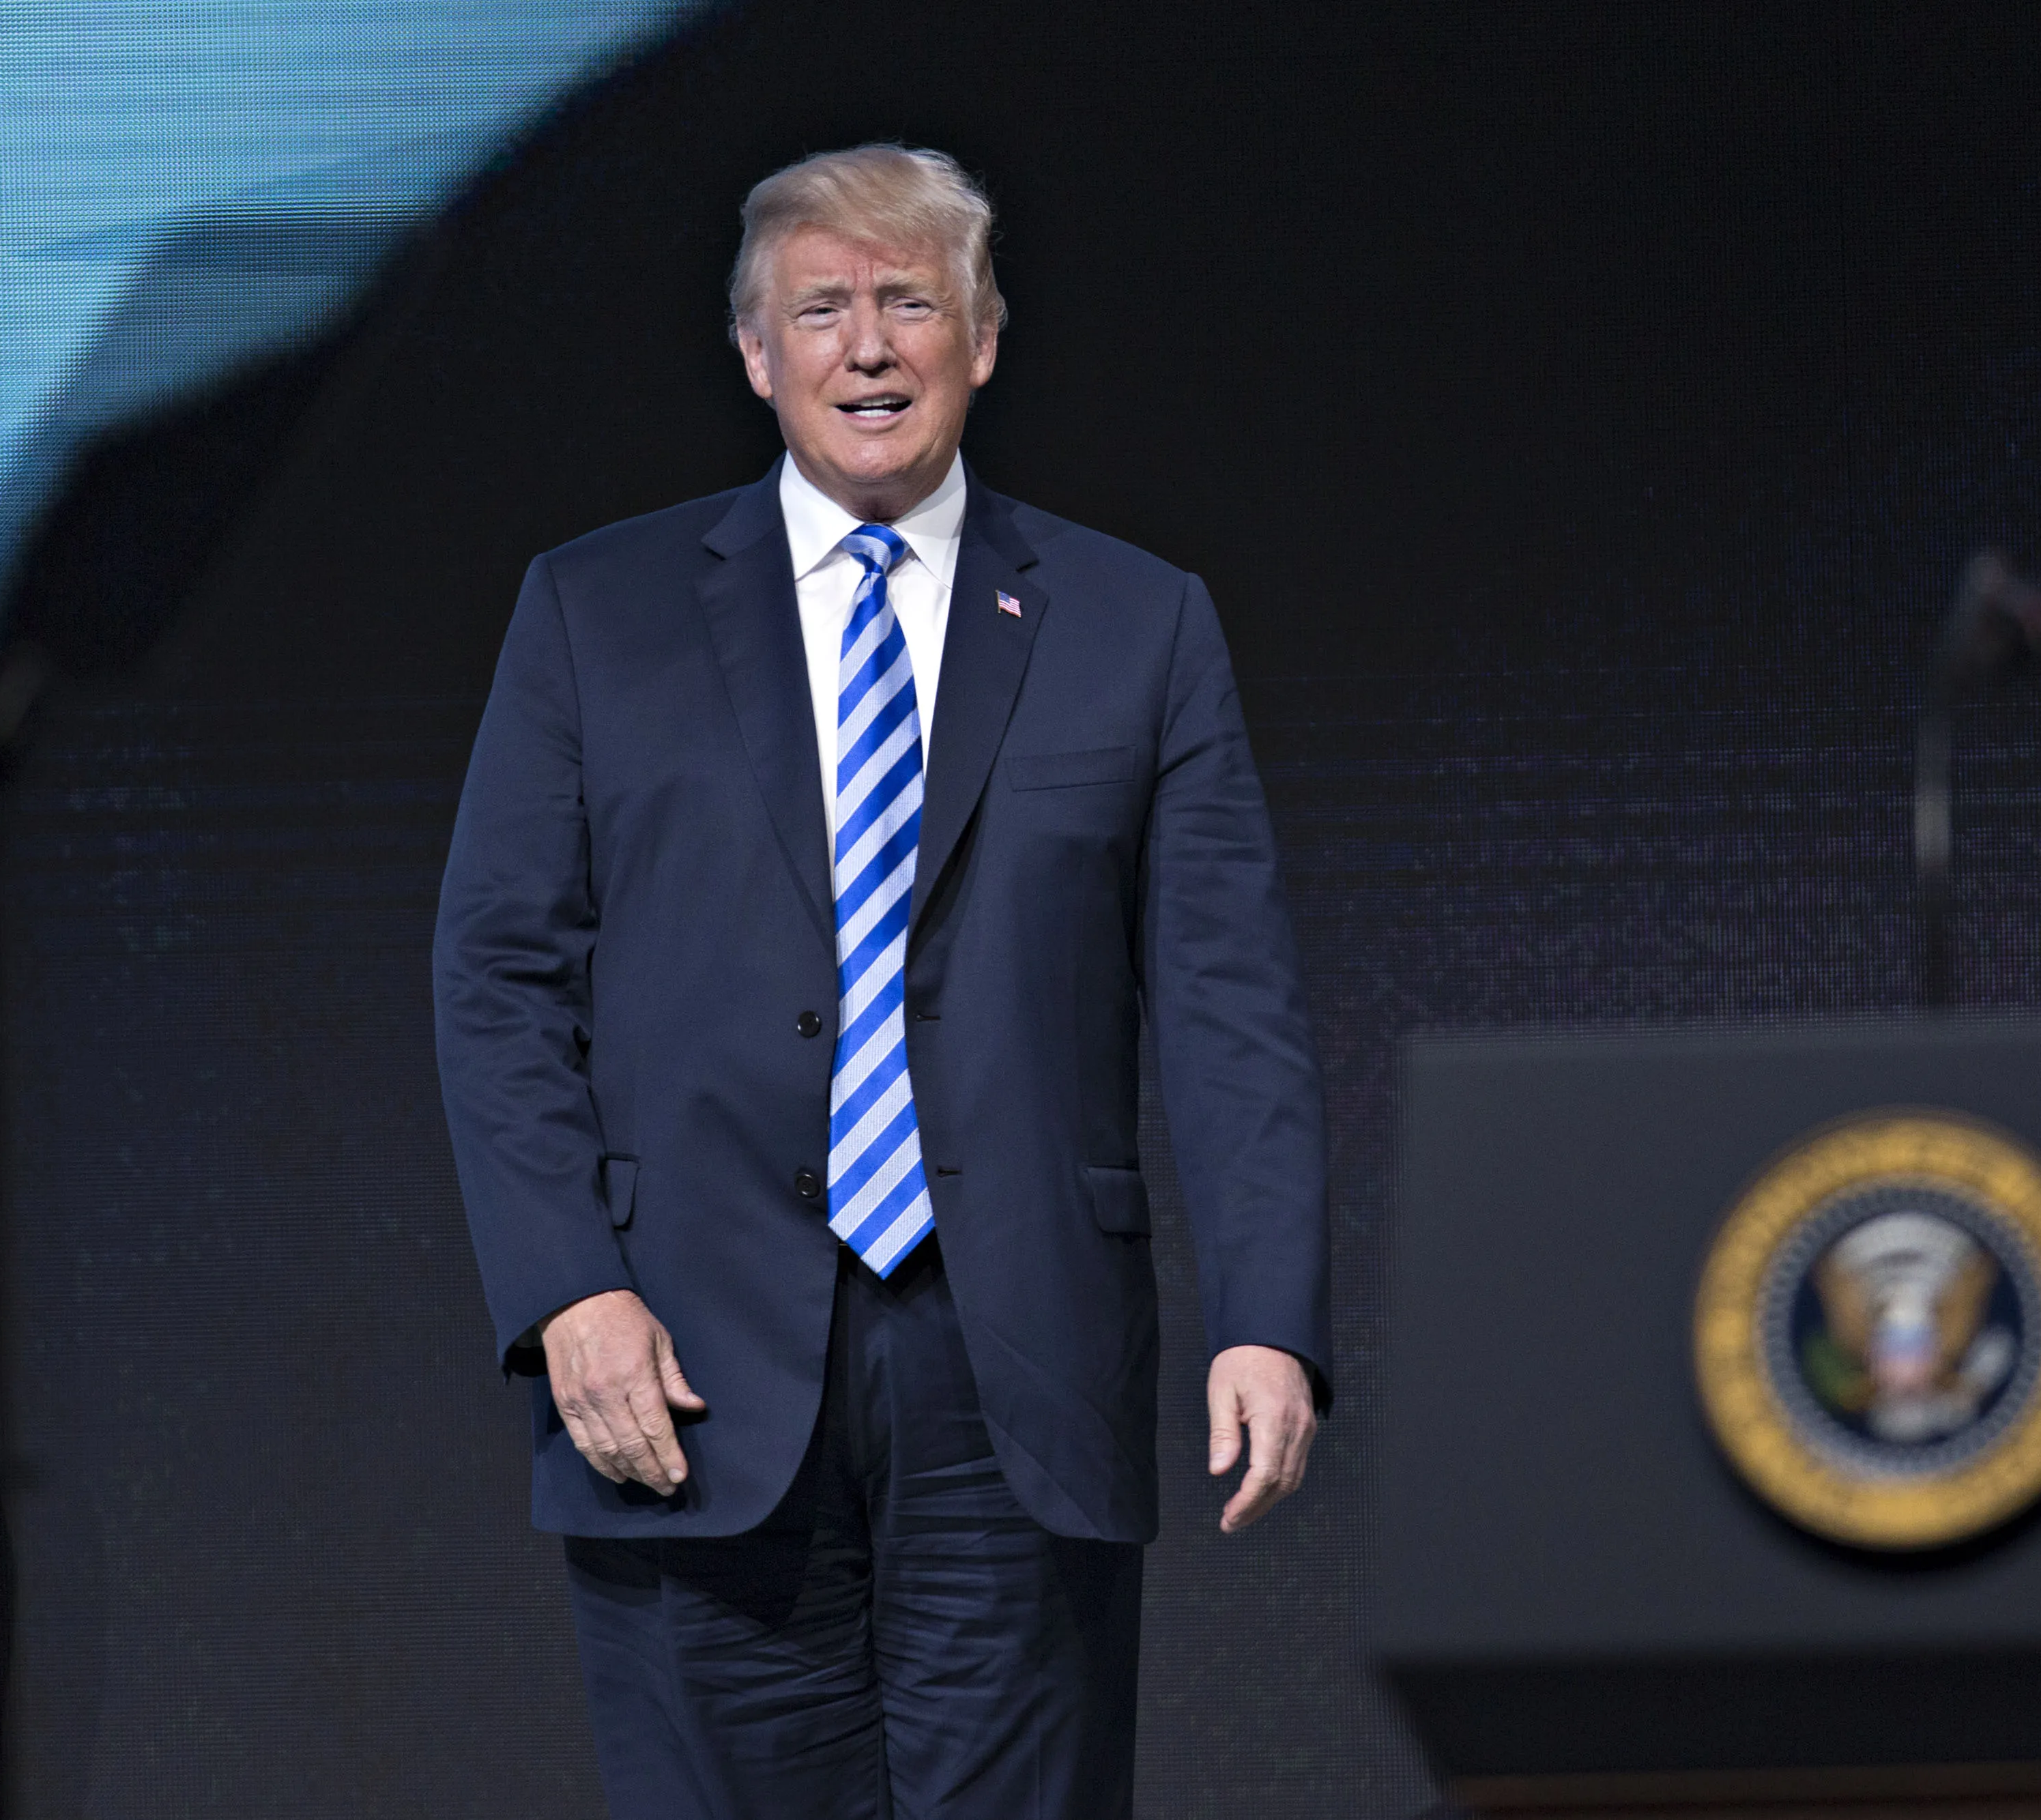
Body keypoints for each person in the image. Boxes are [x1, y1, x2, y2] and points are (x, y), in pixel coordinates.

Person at [431, 144, 1329, 1819]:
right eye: (821, 307)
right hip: (681, 1357)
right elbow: (494, 976)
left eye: (909, 302)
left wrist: (1268, 1318)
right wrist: (568, 1287)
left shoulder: (1138, 623)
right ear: (755, 355)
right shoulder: (593, 613)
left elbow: (1229, 1005)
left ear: (981, 340)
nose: (867, 347)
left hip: (1017, 1361)